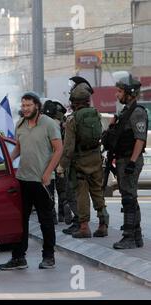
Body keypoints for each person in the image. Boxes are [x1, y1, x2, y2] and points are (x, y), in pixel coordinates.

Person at [0, 92, 63, 271]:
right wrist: (6, 163)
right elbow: (18, 148)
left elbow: (59, 150)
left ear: (37, 106)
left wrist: (48, 173)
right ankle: (19, 257)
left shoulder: (48, 124)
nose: (25, 109)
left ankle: (48, 256)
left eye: (28, 105)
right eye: (23, 105)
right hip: (23, 179)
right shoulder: (20, 124)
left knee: (45, 220)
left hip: (43, 180)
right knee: (21, 220)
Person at [57, 77, 109, 238]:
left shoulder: (73, 120)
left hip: (80, 162)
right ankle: (103, 223)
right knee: (97, 192)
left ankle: (84, 227)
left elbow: (68, 147)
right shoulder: (96, 114)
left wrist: (61, 166)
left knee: (81, 194)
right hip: (95, 159)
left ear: (74, 101)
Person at [109, 75, 148, 249]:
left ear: (130, 93)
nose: (117, 95)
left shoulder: (137, 112)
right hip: (123, 159)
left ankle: (129, 237)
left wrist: (132, 162)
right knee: (130, 197)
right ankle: (137, 236)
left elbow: (140, 139)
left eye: (120, 91)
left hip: (130, 160)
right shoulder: (126, 111)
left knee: (128, 199)